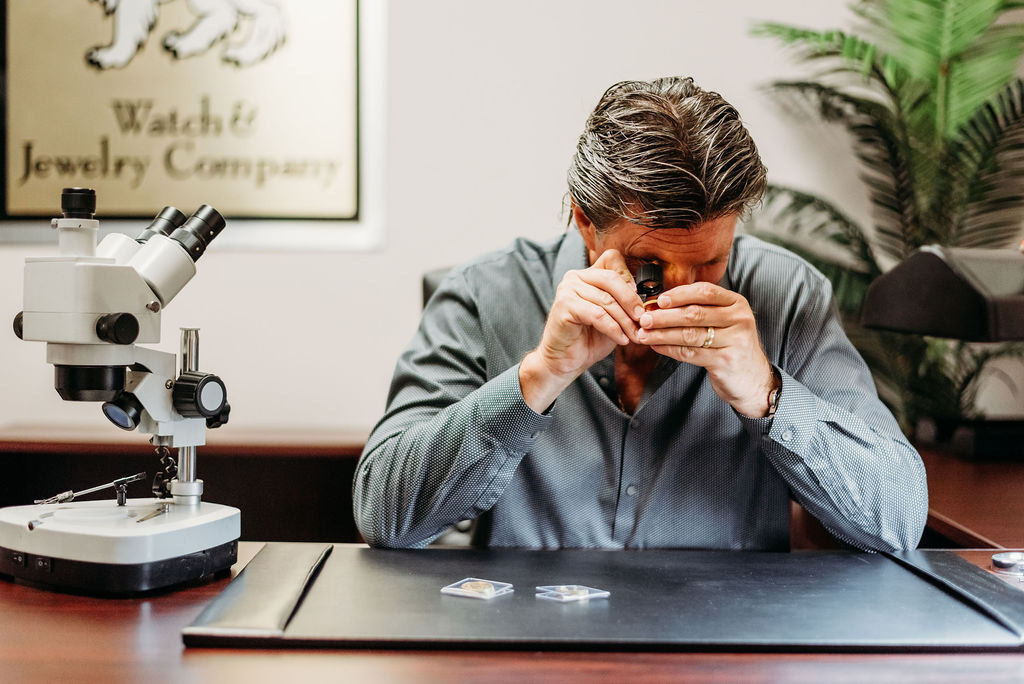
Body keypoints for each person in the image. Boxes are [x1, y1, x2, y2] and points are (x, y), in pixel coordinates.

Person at [353, 76, 928, 551]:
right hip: (530, 643)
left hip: (726, 646)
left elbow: (899, 521)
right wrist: (537, 379)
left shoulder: (789, 295)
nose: (678, 291)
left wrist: (769, 394)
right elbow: (384, 516)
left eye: (710, 263)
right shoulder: (483, 295)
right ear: (585, 221)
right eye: (649, 262)